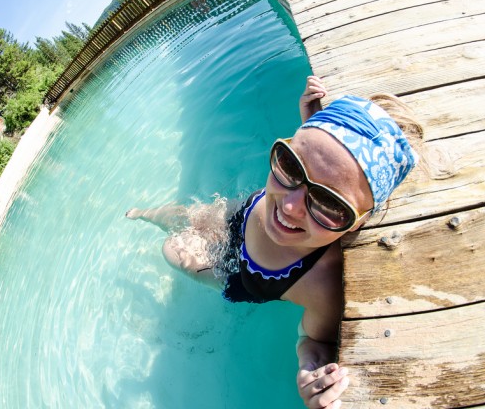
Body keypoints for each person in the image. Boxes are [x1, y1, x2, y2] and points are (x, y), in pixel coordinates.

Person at [126, 76, 420, 409]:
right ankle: (149, 215)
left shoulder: (321, 283)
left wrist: (312, 366)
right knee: (193, 215)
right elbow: (322, 162)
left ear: (360, 222)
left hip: (238, 275)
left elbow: (312, 339)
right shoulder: (306, 187)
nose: (291, 207)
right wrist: (310, 118)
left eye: (329, 204)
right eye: (291, 165)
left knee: (174, 249)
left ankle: (157, 223)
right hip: (248, 212)